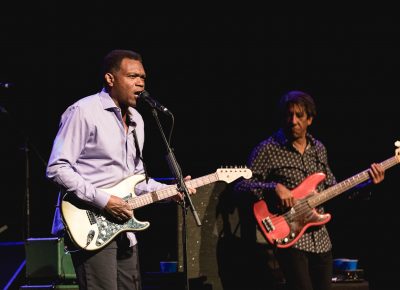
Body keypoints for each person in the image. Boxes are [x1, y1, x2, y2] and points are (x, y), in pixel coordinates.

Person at [46, 49, 195, 290]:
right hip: (90, 224)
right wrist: (105, 201)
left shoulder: (137, 119)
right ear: (110, 79)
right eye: (132, 76)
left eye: (143, 77)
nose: (140, 83)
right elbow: (57, 168)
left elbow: (136, 179)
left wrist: (171, 191)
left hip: (124, 229)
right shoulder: (84, 111)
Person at [234, 90, 385, 290]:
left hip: (321, 240)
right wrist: (274, 187)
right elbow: (240, 186)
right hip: (290, 238)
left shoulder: (319, 149)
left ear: (310, 120)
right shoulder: (268, 149)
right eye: (289, 115)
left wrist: (367, 185)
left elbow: (334, 190)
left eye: (299, 116)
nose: (293, 121)